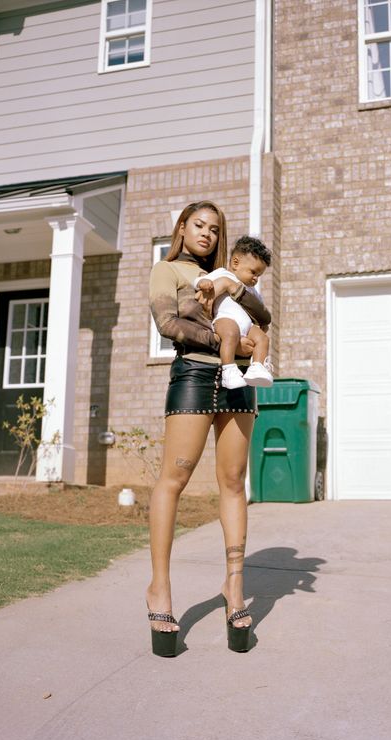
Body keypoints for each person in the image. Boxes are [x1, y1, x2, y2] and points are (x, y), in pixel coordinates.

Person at [147, 200, 272, 656]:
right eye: (199, 225)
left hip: (240, 382)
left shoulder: (232, 278)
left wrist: (235, 288)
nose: (207, 234)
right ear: (182, 227)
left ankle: (233, 588)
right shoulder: (169, 271)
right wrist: (225, 340)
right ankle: (159, 588)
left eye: (215, 229)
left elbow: (264, 318)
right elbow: (168, 324)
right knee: (174, 478)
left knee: (234, 482)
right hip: (194, 376)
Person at [193, 235, 273, 390]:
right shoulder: (222, 274)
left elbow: (260, 310)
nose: (256, 279)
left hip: (247, 326)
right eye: (253, 272)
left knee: (263, 339)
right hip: (225, 319)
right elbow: (198, 282)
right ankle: (229, 370)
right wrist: (203, 283)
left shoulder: (251, 290)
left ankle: (257, 367)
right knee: (231, 334)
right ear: (236, 263)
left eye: (259, 275)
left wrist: (262, 324)